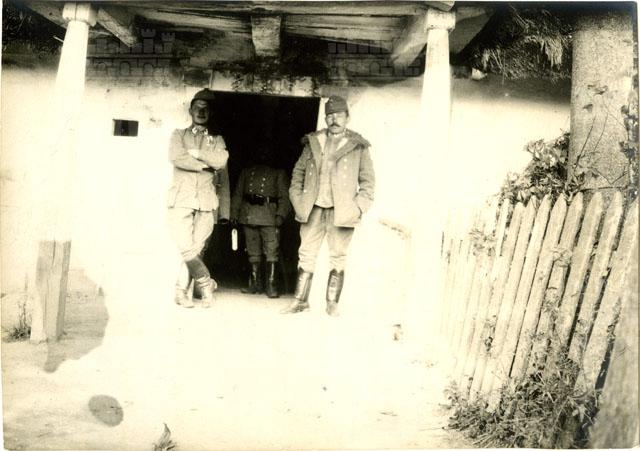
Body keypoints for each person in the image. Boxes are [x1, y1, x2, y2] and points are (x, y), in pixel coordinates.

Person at [282, 96, 375, 316]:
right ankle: (300, 301)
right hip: (312, 209)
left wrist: (357, 208)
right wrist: (298, 201)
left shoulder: (358, 145)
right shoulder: (314, 141)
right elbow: (297, 174)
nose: (334, 119)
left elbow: (368, 183)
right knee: (306, 253)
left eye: (339, 115)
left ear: (347, 117)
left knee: (338, 256)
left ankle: (332, 304)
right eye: (330, 115)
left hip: (342, 212)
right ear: (325, 118)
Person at [167, 88, 229, 308]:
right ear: (190, 110)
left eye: (205, 109)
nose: (201, 112)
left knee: (196, 248)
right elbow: (176, 157)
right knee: (186, 247)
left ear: (210, 113)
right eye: (197, 108)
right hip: (181, 200)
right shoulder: (178, 135)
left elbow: (221, 161)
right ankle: (206, 283)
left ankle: (180, 292)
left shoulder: (217, 139)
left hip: (206, 202)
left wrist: (196, 153)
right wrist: (205, 165)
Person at [230, 149, 291, 298]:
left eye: (266, 153)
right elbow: (238, 194)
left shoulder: (278, 173)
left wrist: (280, 215)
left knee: (271, 251)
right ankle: (255, 284)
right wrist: (234, 214)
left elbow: (285, 197)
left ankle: (271, 286)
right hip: (248, 214)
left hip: (269, 216)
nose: (262, 156)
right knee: (253, 251)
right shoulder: (246, 172)